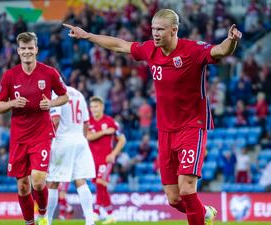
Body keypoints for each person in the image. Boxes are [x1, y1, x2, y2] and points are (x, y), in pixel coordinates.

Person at [63, 8, 242, 225]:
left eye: (160, 29)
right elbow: (120, 45)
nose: (155, 33)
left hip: (191, 127)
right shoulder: (150, 50)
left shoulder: (192, 51)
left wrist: (231, 41)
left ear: (174, 30)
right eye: (153, 29)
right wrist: (88, 36)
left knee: (187, 189)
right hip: (165, 131)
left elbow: (220, 51)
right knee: (174, 199)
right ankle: (205, 213)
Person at [0, 32, 68, 225]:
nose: (27, 52)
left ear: (36, 49)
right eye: (23, 49)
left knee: (37, 179)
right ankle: (30, 222)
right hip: (19, 137)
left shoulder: (49, 72)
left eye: (30, 48)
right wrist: (12, 103)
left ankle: (43, 214)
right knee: (22, 187)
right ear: (18, 51)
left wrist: (51, 103)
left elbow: (65, 96)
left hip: (41, 133)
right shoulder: (10, 76)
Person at [47, 86, 96, 225]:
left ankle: (48, 220)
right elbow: (86, 122)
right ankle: (90, 220)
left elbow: (55, 120)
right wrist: (83, 139)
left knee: (53, 182)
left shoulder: (56, 92)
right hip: (80, 140)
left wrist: (48, 139)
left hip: (62, 140)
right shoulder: (78, 93)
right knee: (80, 180)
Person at [87, 96, 126, 224]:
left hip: (106, 159)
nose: (93, 109)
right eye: (91, 107)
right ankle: (110, 215)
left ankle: (96, 212)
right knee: (101, 186)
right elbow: (89, 137)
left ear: (102, 107)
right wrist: (104, 132)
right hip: (93, 160)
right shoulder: (88, 122)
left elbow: (122, 139)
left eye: (96, 106)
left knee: (100, 182)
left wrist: (114, 154)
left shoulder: (110, 122)